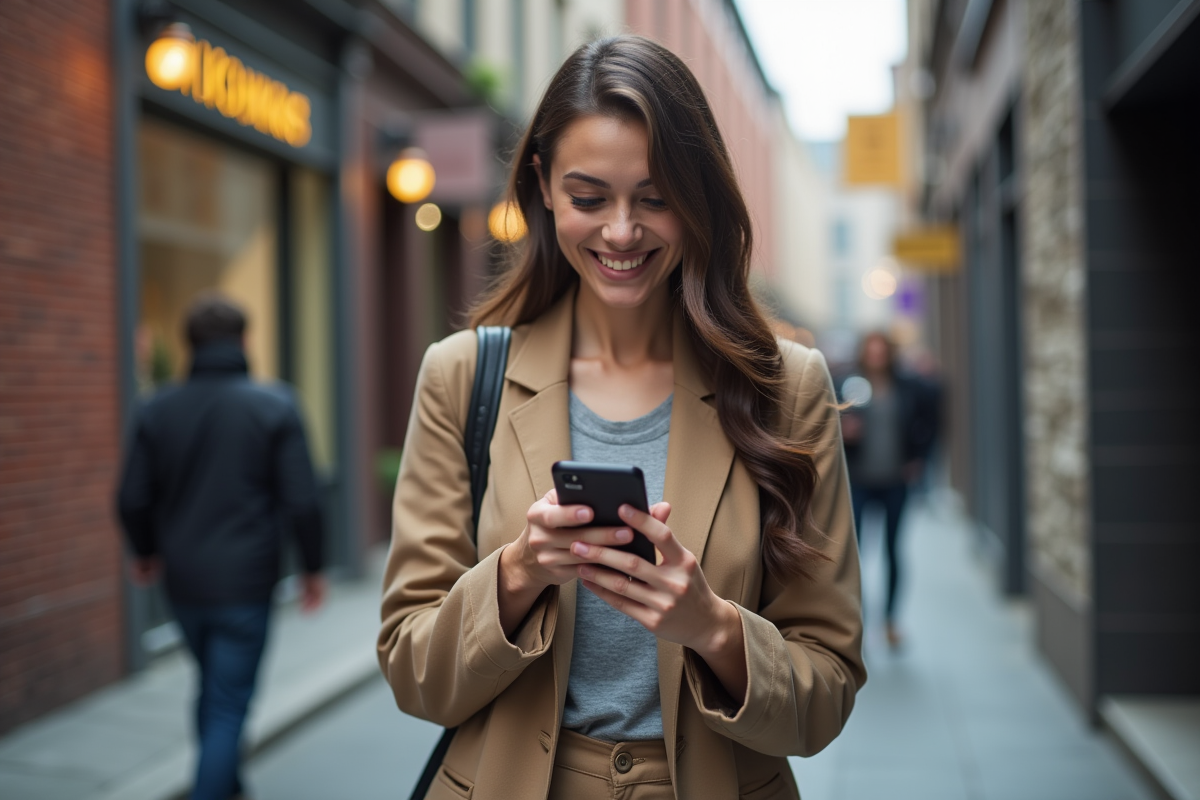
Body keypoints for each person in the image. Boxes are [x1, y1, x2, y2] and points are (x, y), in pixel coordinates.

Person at [378, 36, 865, 800]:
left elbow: (827, 690)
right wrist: (518, 572)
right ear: (541, 184)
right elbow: (413, 670)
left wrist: (712, 626)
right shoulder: (464, 377)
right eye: (589, 197)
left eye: (656, 197)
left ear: (697, 197)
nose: (621, 232)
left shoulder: (786, 387)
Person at [117, 292, 325, 800]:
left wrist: (144, 552)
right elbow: (303, 499)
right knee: (229, 701)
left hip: (183, 580)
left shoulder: (156, 409)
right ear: (244, 341)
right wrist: (313, 569)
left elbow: (131, 496)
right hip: (246, 581)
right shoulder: (274, 404)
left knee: (214, 688)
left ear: (189, 345)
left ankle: (227, 783)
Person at [838, 332, 937, 649]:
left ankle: (892, 620)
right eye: (872, 351)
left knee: (893, 550)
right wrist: (844, 430)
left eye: (882, 351)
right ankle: (857, 623)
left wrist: (919, 458)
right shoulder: (847, 384)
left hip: (895, 480)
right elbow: (826, 422)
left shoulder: (907, 386)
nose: (877, 356)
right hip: (860, 480)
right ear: (864, 353)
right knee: (856, 555)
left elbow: (931, 417)